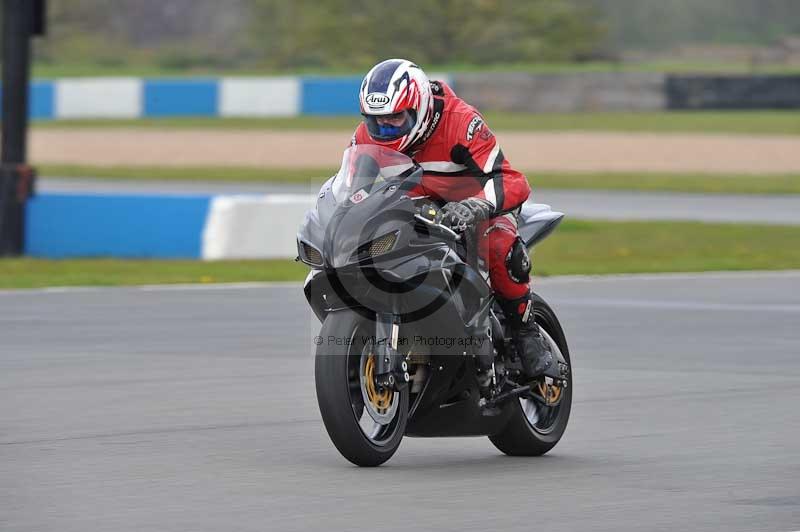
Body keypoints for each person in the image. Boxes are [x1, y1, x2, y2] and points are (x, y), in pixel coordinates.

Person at [351, 58, 559, 383]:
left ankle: (525, 333)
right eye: (378, 123)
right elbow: (353, 188)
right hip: (419, 209)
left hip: (477, 207)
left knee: (499, 246)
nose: (386, 130)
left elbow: (511, 179)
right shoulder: (368, 136)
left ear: (418, 109)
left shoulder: (460, 122)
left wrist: (477, 205)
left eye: (396, 120)